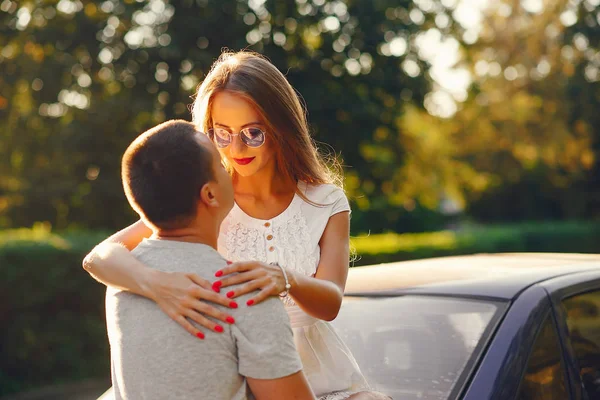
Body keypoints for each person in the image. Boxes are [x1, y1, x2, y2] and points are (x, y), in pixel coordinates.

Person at [85, 51, 382, 399]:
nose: (236, 147)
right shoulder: (206, 200)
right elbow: (99, 257)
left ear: (281, 127)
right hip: (236, 381)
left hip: (321, 378)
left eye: (252, 133)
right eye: (221, 134)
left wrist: (284, 277)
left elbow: (331, 303)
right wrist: (156, 284)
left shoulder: (325, 202)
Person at [106, 119, 315, 399]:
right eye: (220, 163)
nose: (231, 167)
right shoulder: (245, 290)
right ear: (210, 194)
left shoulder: (121, 283)